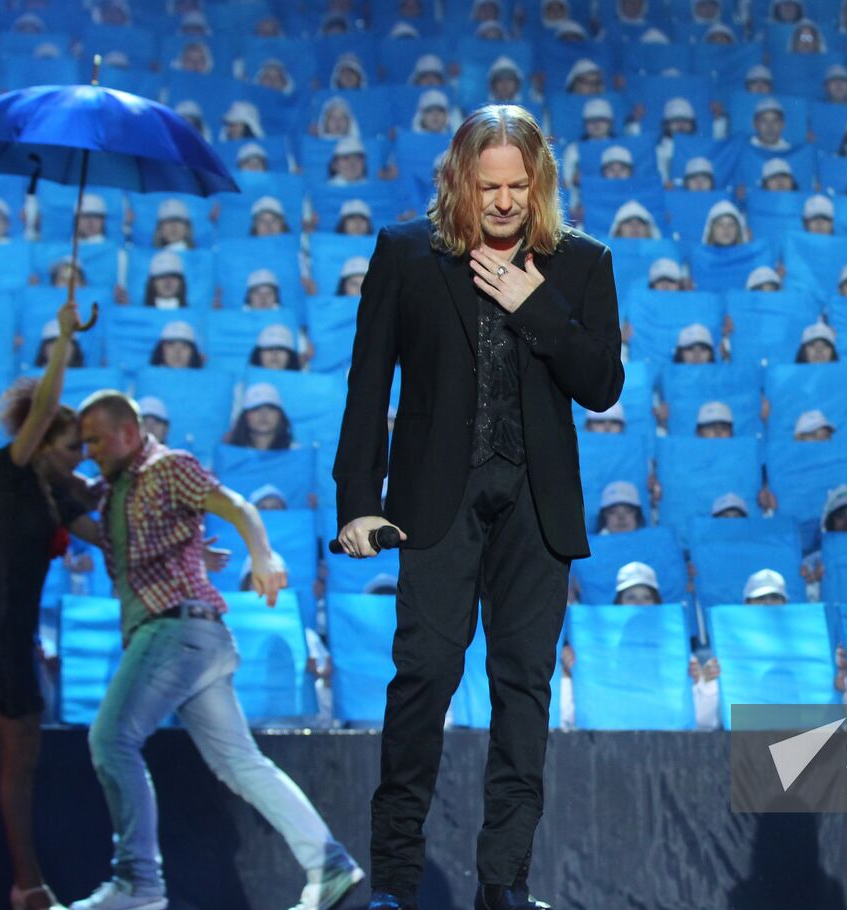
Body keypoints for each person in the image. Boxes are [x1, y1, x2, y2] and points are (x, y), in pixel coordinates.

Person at [331, 104, 622, 910]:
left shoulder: (582, 263)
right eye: (488, 186)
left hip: (537, 507)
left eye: (518, 187)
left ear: (540, 185)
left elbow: (602, 386)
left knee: (522, 691)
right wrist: (358, 501)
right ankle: (393, 882)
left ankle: (504, 884)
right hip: (435, 501)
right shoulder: (404, 255)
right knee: (422, 678)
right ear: (461, 181)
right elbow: (366, 388)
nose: (502, 202)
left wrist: (537, 306)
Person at [0, 303, 93, 910]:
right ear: (42, 438)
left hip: (11, 633)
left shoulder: (55, 495)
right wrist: (65, 341)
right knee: (15, 767)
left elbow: (105, 537)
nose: (80, 456)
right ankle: (29, 886)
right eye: (73, 446)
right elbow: (46, 404)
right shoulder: (14, 466)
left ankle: (25, 886)